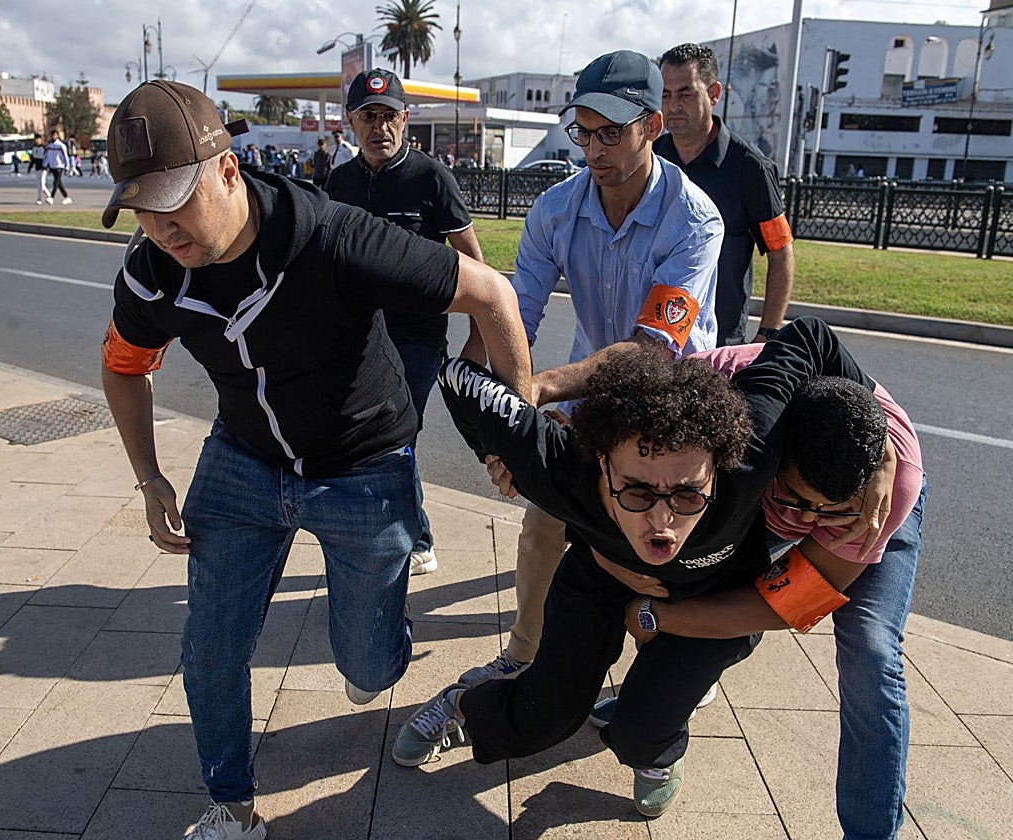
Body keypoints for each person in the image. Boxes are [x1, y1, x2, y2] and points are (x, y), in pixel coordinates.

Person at [97, 79, 532, 840]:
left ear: (228, 171)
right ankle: (230, 804)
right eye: (142, 208)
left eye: (174, 202)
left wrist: (518, 440)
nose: (161, 228)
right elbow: (124, 363)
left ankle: (383, 641)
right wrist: (149, 475)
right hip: (243, 462)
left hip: (363, 466)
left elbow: (494, 295)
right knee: (209, 647)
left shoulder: (334, 236)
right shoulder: (151, 271)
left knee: (367, 667)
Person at [394, 317, 892, 820]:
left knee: (641, 733)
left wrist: (884, 448)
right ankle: (461, 704)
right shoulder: (562, 470)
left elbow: (811, 336)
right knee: (542, 720)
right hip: (601, 575)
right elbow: (458, 378)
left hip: (713, 591)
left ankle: (657, 751)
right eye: (636, 491)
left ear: (720, 464)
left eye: (687, 493)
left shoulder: (752, 451)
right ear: (602, 464)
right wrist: (496, 449)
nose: (662, 520)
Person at [456, 50, 722, 688]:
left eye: (612, 131)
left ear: (652, 127)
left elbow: (654, 348)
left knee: (670, 544)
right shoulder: (554, 210)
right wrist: (510, 424)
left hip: (677, 401)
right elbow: (514, 315)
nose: (595, 149)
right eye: (583, 130)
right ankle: (522, 653)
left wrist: (537, 390)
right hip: (589, 399)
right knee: (544, 523)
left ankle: (676, 674)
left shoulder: (694, 219)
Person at [603, 341, 925, 840]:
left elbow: (786, 604)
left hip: (871, 488)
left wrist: (653, 616)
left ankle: (870, 834)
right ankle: (669, 699)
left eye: (827, 509)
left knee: (871, 649)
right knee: (680, 570)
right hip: (747, 477)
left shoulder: (884, 487)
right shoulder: (721, 398)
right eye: (797, 500)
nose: (808, 522)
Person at [327, 68, 487, 577]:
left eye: (389, 116)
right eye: (368, 116)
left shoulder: (430, 178)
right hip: (357, 333)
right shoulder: (341, 181)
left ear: (405, 118)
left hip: (417, 334)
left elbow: (473, 262)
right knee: (366, 437)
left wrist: (478, 330)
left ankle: (412, 538)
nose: (380, 127)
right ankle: (398, 530)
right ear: (352, 122)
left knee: (398, 434)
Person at [656, 43, 794, 346]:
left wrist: (767, 334)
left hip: (717, 344)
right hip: (653, 338)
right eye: (665, 95)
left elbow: (781, 252)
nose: (673, 105)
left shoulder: (750, 168)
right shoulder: (650, 161)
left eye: (686, 93)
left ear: (714, 93)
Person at [43, 130, 71, 205]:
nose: (53, 137)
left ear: (57, 136)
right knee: (58, 183)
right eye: (52, 135)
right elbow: (46, 156)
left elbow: (66, 157)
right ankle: (66, 197)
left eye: (55, 135)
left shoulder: (61, 146)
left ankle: (51, 197)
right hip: (52, 166)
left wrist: (67, 167)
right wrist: (45, 165)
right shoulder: (49, 146)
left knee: (55, 182)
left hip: (59, 166)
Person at [30, 133, 48, 203]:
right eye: (35, 139)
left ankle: (49, 195)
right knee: (39, 185)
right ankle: (39, 198)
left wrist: (46, 166)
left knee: (42, 184)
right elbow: (33, 159)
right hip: (37, 168)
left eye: (38, 139)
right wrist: (30, 167)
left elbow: (47, 158)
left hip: (43, 168)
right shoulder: (34, 148)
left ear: (41, 139)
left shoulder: (44, 148)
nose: (36, 140)